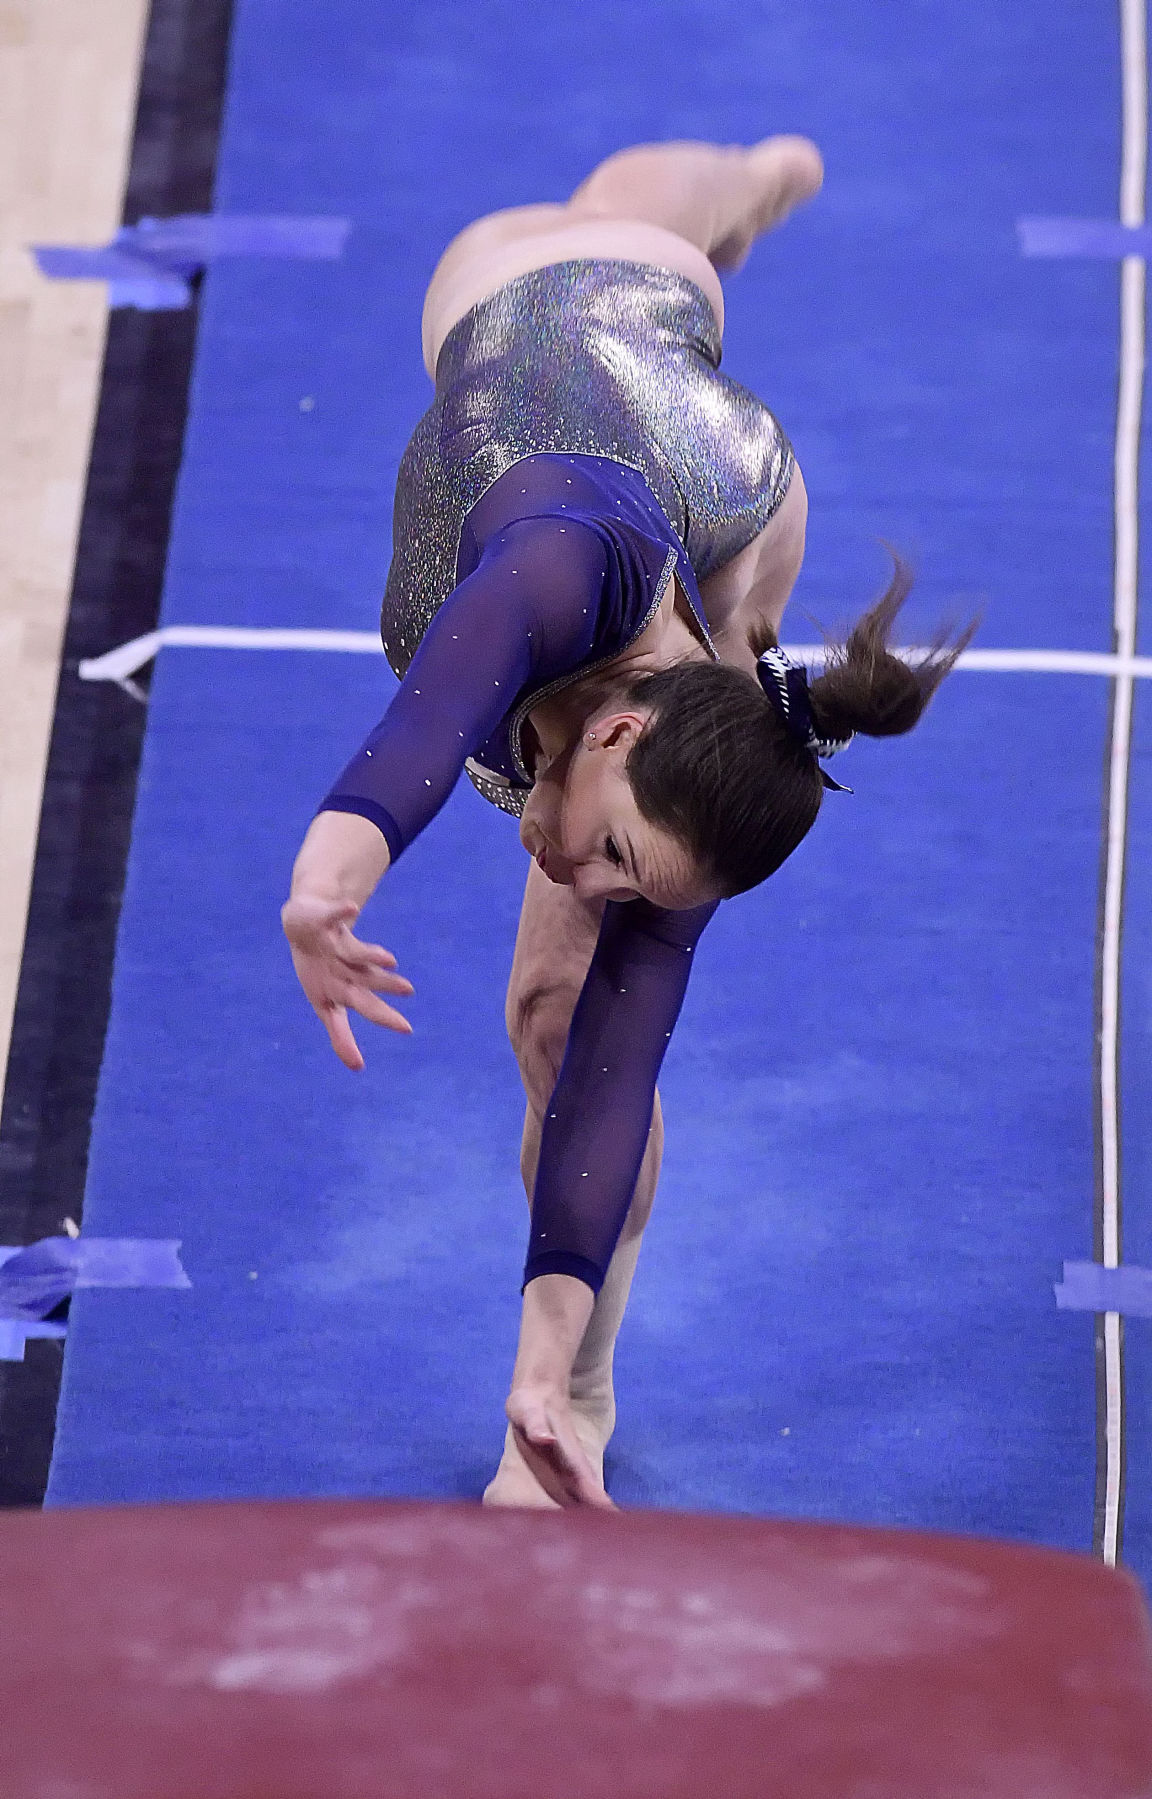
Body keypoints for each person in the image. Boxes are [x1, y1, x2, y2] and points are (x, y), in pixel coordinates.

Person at [281, 137, 972, 1510]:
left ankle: (587, 1397)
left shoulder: (676, 790)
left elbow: (614, 1056)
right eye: (609, 856)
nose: (588, 880)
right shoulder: (551, 572)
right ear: (613, 728)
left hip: (738, 535)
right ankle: (752, 184)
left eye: (620, 877)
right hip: (595, 315)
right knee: (630, 221)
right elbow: (422, 732)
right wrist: (325, 885)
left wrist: (543, 1368)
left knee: (557, 1015)